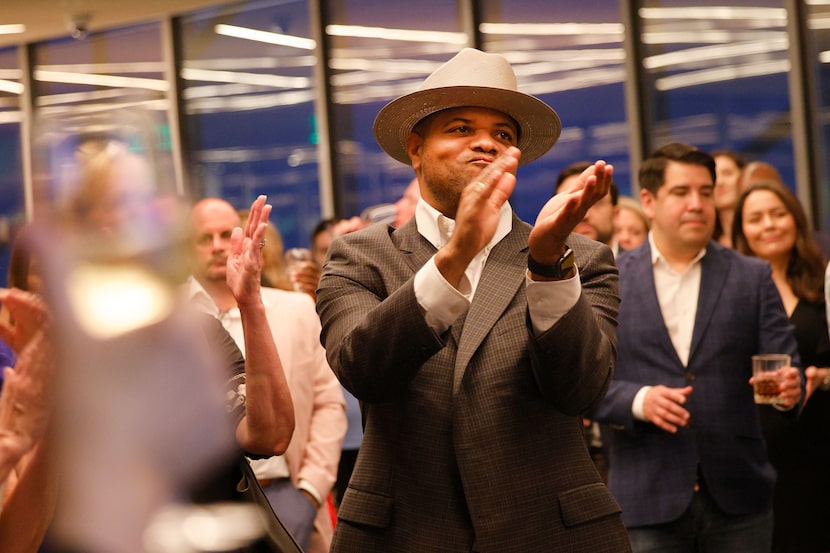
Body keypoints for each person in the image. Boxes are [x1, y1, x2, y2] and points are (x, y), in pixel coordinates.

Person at [316, 47, 630, 552]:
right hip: (408, 533)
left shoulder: (578, 257)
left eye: (502, 135)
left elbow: (581, 391)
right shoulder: (360, 256)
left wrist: (548, 264)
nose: (485, 143)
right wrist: (454, 257)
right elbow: (363, 369)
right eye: (461, 128)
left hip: (548, 532)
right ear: (416, 149)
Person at [592, 142, 802, 552]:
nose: (697, 204)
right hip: (645, 495)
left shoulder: (751, 276)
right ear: (649, 202)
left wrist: (790, 389)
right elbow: (581, 382)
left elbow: (785, 367)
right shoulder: (610, 279)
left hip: (739, 497)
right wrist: (638, 400)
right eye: (682, 192)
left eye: (706, 192)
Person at [187, 196, 346, 553]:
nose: (216, 246)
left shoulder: (295, 309)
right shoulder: (179, 323)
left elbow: (327, 403)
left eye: (226, 234)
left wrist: (308, 492)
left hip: (287, 487)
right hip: (214, 504)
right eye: (203, 238)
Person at [732, 180, 830, 553]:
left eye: (778, 214)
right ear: (742, 230)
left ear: (796, 219)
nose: (769, 225)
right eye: (756, 218)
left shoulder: (824, 283)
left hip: (818, 443)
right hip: (754, 448)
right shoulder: (731, 290)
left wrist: (823, 378)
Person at [556, 161, 621, 256]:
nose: (584, 215)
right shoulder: (537, 269)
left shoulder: (645, 265)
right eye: (572, 203)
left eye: (595, 202)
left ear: (615, 213)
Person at [711, 150, 746, 248]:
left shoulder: (760, 233)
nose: (719, 182)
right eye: (714, 177)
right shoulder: (705, 243)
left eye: (727, 173)